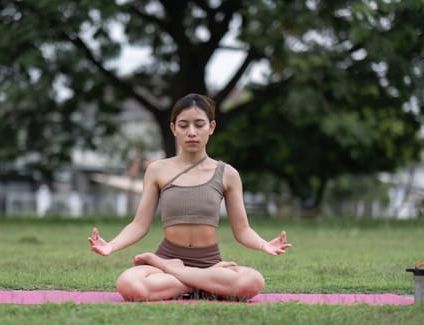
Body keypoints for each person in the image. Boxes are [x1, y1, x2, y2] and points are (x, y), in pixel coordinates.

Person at [88, 93, 292, 301]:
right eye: (184, 125)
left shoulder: (228, 174)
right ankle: (205, 285)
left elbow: (242, 230)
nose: (191, 132)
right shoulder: (157, 170)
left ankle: (187, 277)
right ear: (173, 128)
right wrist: (111, 245)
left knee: (253, 281)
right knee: (129, 285)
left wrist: (264, 244)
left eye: (199, 125)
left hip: (209, 263)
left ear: (211, 127)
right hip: (171, 260)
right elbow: (139, 225)